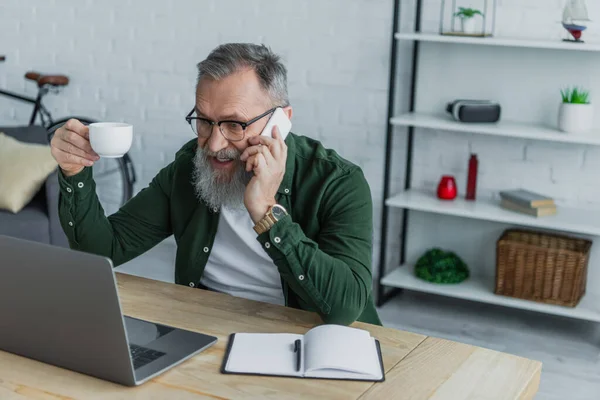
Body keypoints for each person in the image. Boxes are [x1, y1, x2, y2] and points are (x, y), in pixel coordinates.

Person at [50, 43, 381, 326]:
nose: (213, 144)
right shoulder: (188, 169)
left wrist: (267, 211)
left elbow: (344, 307)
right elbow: (101, 249)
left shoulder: (337, 182)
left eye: (235, 125)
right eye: (205, 121)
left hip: (311, 343)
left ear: (282, 121)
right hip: (210, 332)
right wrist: (74, 171)